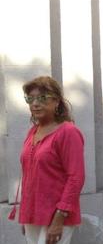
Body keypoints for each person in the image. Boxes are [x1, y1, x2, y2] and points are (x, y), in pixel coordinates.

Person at [12, 76, 85, 244]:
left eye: (42, 98)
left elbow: (76, 178)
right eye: (30, 99)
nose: (35, 103)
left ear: (57, 102)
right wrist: (26, 214)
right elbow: (29, 175)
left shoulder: (68, 132)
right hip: (33, 212)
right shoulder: (33, 132)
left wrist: (60, 218)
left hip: (57, 214)